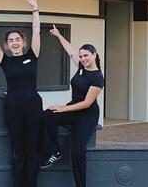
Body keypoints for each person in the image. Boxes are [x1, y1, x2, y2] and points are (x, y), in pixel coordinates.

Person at [0, 0, 42, 187]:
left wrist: (35, 10)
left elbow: (37, 31)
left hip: (33, 106)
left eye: (18, 39)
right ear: (7, 45)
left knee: (33, 150)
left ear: (23, 42)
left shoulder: (32, 56)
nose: (15, 42)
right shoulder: (5, 61)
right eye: (11, 40)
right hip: (13, 108)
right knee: (18, 151)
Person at [39, 25, 104, 187]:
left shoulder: (97, 77)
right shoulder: (81, 68)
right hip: (73, 110)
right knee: (48, 114)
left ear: (94, 55)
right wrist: (59, 35)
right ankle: (55, 151)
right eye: (81, 56)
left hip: (87, 115)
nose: (83, 58)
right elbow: (70, 51)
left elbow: (87, 103)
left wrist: (62, 108)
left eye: (86, 55)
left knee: (77, 151)